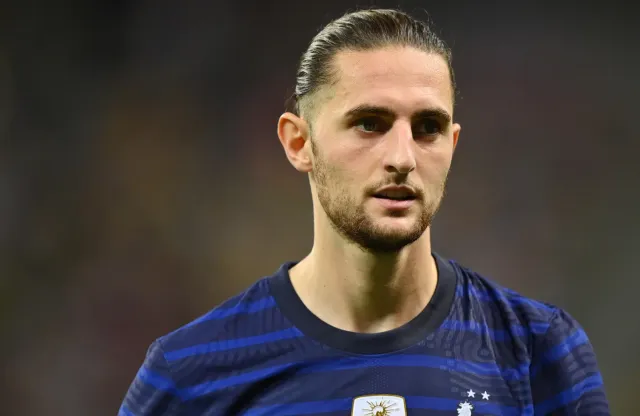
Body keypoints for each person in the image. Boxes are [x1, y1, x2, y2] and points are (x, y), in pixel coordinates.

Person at [119, 8, 610, 415]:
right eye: (370, 123)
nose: (403, 156)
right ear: (299, 142)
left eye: (427, 127)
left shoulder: (538, 353)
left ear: (453, 144)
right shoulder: (188, 374)